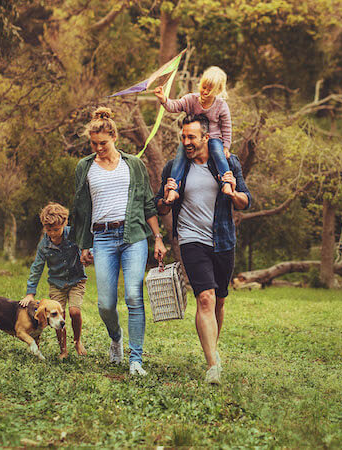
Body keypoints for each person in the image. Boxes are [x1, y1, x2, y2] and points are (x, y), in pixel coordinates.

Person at [69, 107, 167, 376]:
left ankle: (136, 359)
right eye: (94, 143)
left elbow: (148, 204)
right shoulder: (84, 167)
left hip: (133, 236)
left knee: (134, 296)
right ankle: (116, 337)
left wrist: (157, 238)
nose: (98, 148)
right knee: (106, 304)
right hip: (102, 238)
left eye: (103, 143)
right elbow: (80, 208)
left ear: (115, 138)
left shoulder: (133, 164)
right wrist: (83, 244)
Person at [154, 114, 251, 385]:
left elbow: (246, 200)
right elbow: (160, 206)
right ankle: (212, 366)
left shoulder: (228, 163)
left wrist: (232, 194)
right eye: (183, 137)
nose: (186, 142)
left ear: (206, 137)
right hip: (190, 239)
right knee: (205, 298)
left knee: (219, 299)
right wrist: (165, 196)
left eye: (191, 137)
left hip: (222, 240)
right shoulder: (175, 167)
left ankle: (213, 350)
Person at [153, 66, 234, 196]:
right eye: (204, 87)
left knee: (218, 154)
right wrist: (164, 99)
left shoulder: (221, 105)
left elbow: (226, 127)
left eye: (210, 89)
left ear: (218, 91)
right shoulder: (191, 99)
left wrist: (226, 146)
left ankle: (226, 183)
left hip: (213, 138)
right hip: (192, 139)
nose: (206, 92)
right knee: (180, 156)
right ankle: (174, 188)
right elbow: (175, 106)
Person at [20, 202, 87, 359]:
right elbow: (37, 268)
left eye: (56, 229)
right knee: (58, 315)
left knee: (74, 311)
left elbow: (87, 247)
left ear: (64, 224)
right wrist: (30, 293)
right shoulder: (44, 245)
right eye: (48, 230)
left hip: (76, 281)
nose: (53, 233)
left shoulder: (74, 235)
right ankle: (63, 349)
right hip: (57, 284)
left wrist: (88, 255)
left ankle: (77, 341)